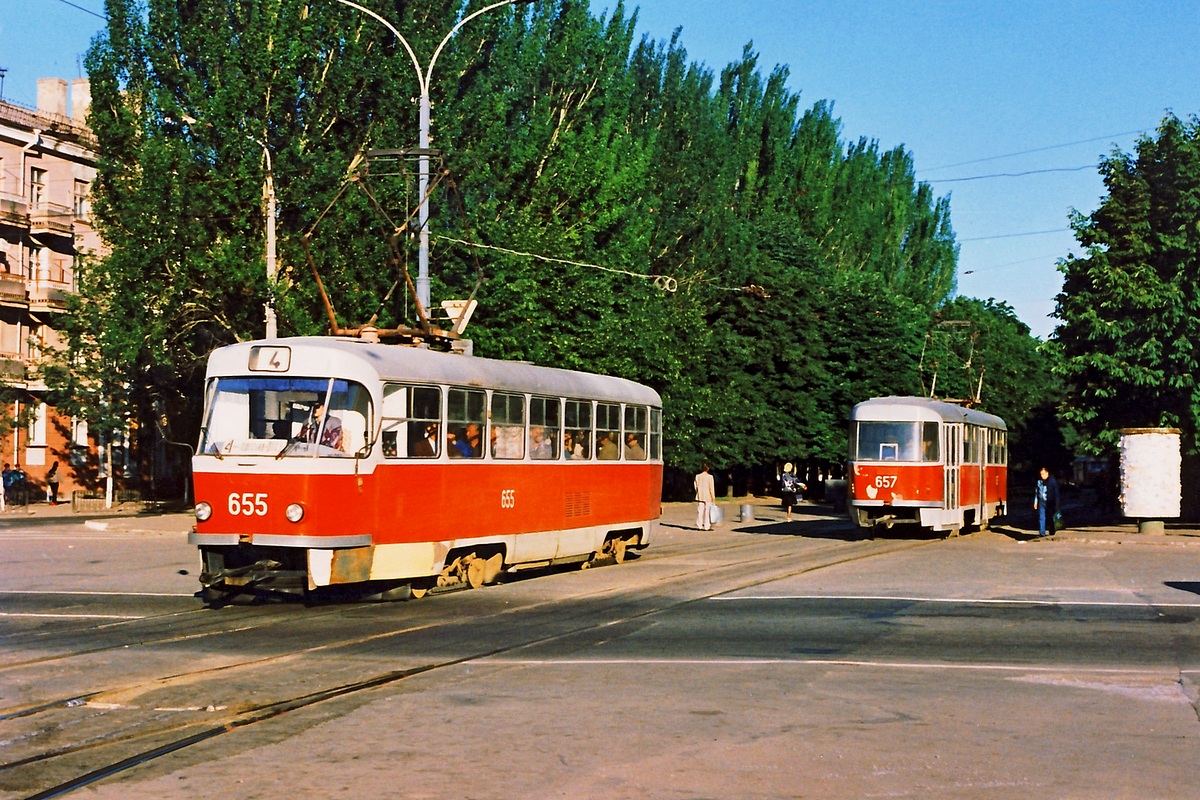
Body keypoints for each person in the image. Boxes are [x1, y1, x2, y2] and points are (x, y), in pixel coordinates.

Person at [1034, 466, 1060, 537]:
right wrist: (1035, 502)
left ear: (1047, 473)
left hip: (1050, 501)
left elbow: (1056, 492)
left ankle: (1052, 530)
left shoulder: (1052, 481)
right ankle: (1042, 532)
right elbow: (1037, 492)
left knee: (1050, 516)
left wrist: (1057, 502)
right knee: (1041, 517)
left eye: (1043, 474)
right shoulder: (1039, 482)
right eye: (1041, 474)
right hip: (1041, 501)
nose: (1042, 476)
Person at [694, 462, 717, 531]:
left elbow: (695, 486)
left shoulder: (697, 476)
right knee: (707, 511)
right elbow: (711, 488)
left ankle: (699, 525)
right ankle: (706, 526)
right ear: (708, 469)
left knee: (700, 511)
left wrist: (698, 492)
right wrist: (713, 497)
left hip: (700, 495)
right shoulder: (710, 477)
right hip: (708, 496)